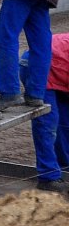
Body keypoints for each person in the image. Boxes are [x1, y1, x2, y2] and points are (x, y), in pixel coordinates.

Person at [21, 33, 69, 192]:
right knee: (47, 125)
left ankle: (65, 166)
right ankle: (48, 177)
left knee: (65, 123)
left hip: (59, 72)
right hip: (37, 68)